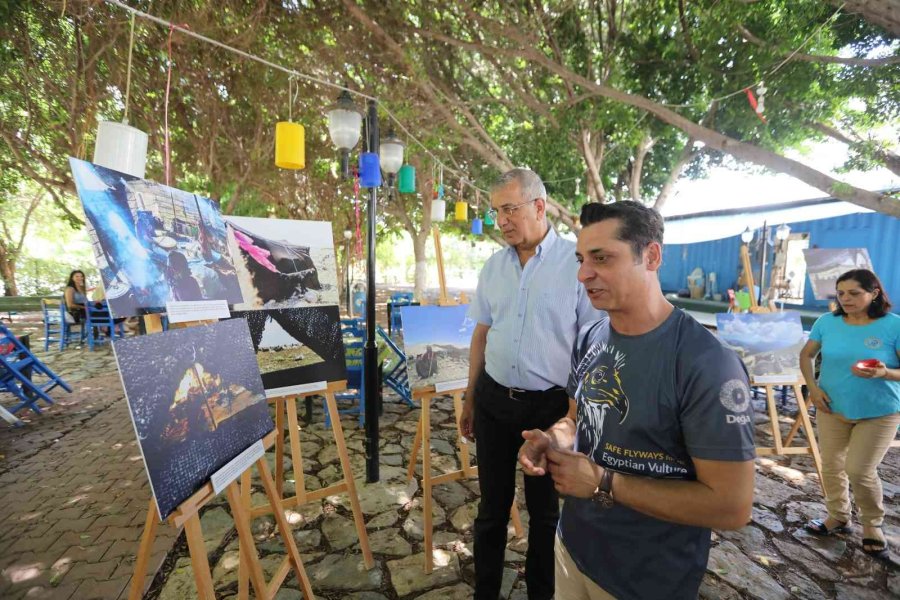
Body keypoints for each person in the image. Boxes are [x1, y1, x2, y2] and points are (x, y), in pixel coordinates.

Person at [518, 201, 756, 599]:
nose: (583, 274)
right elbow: (576, 418)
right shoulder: (590, 337)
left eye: (601, 258)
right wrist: (553, 438)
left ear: (651, 256)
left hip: (646, 576)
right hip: (573, 546)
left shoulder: (705, 362)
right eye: (581, 259)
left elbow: (732, 506)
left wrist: (603, 483)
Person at [459, 168, 602, 600]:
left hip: (550, 410)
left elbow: (593, 343)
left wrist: (573, 417)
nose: (501, 220)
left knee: (545, 515)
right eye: (496, 211)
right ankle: (485, 593)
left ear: (539, 207)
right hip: (493, 400)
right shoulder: (494, 267)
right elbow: (482, 333)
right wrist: (470, 397)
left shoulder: (575, 264)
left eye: (509, 209)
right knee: (491, 509)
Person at [800, 268, 900, 563]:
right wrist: (813, 389)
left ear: (874, 293)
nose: (846, 298)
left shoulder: (893, 325)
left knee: (859, 469)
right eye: (841, 293)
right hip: (831, 407)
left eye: (854, 293)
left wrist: (884, 373)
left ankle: (872, 525)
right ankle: (838, 516)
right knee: (831, 466)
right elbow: (806, 355)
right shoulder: (826, 322)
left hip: (879, 411)